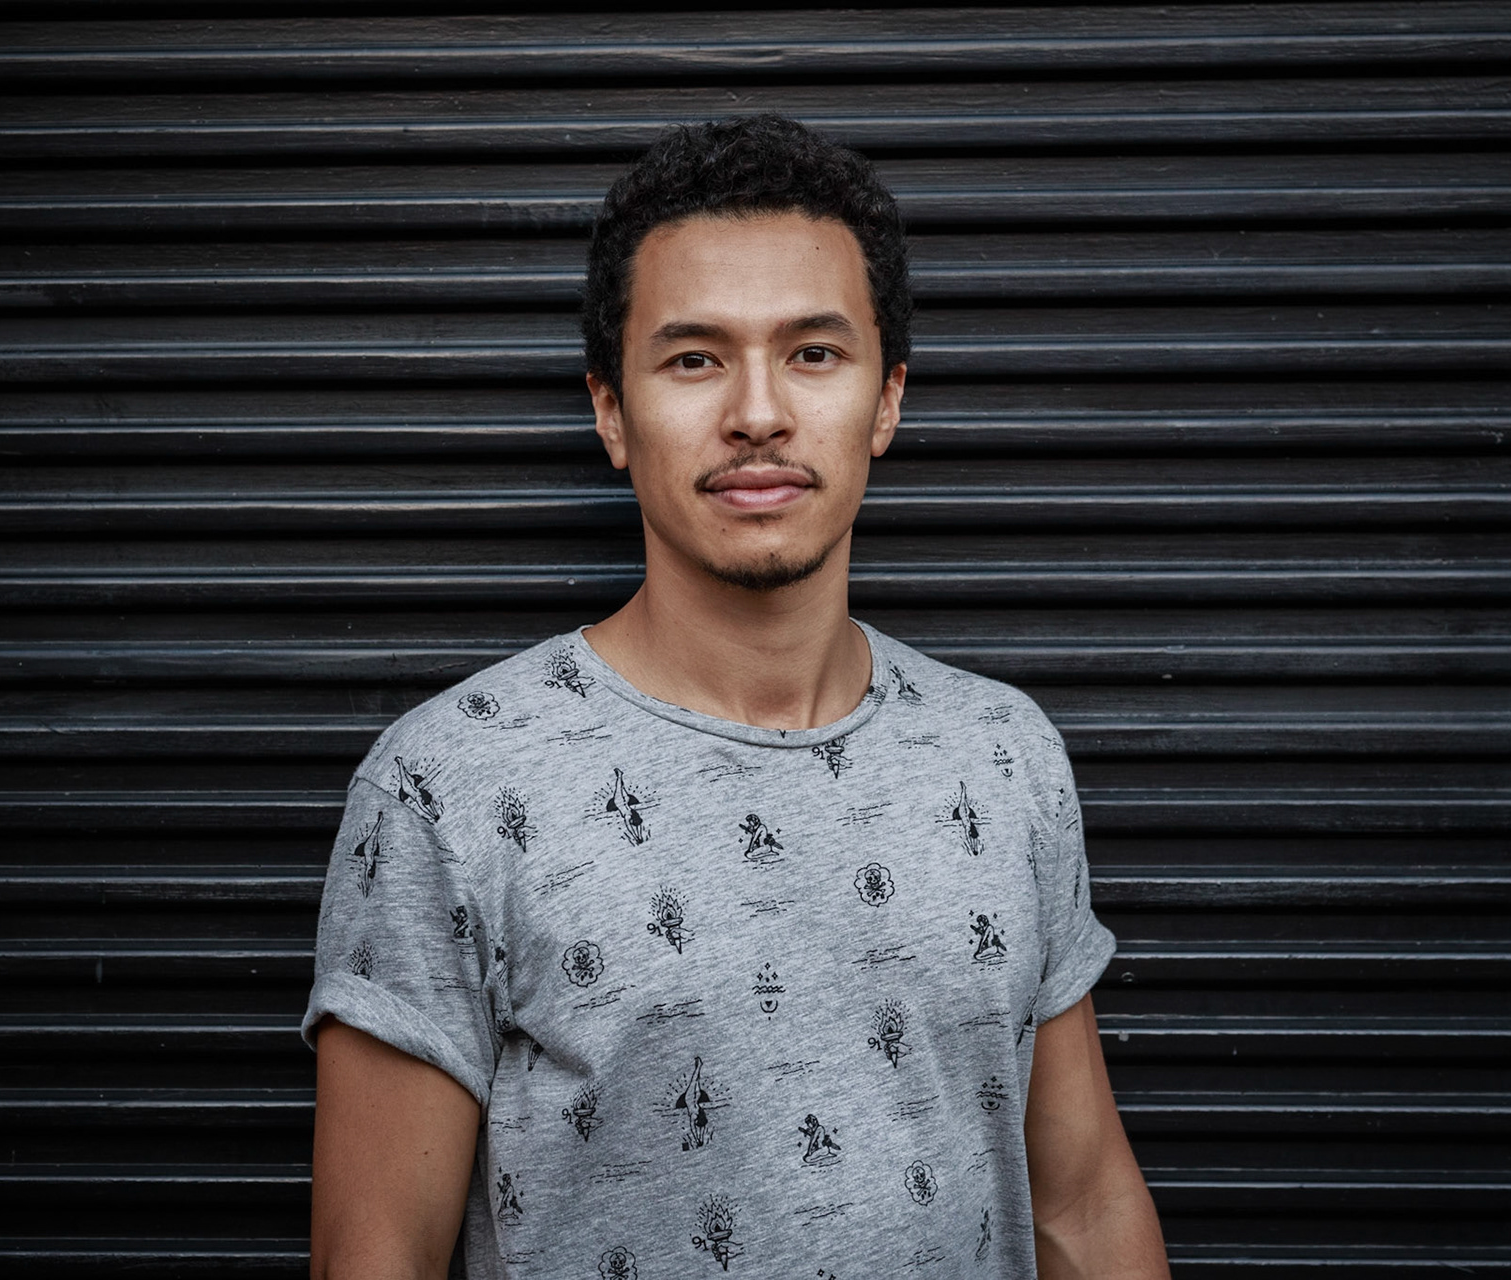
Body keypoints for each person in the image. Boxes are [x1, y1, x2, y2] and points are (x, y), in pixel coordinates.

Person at [304, 113, 1170, 1279]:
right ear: (611, 410)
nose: (758, 413)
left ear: (887, 399)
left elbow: (1084, 1207)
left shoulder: (1003, 754)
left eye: (813, 353)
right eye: (694, 359)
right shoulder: (448, 785)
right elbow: (375, 1258)